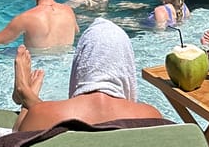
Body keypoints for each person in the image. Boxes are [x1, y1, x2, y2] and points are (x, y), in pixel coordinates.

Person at [11, 17, 162, 131]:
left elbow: (15, 144)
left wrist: (30, 104)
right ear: (126, 65)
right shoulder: (150, 117)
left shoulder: (43, 114)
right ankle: (27, 95)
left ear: (82, 63)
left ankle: (26, 93)